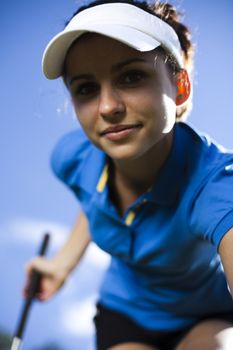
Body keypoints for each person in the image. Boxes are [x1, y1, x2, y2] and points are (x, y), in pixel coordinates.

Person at [24, 1, 233, 349]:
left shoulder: (217, 183)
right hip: (126, 315)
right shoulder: (73, 158)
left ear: (180, 87)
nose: (108, 107)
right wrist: (61, 264)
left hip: (209, 316)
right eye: (86, 88)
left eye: (132, 76)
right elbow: (93, 201)